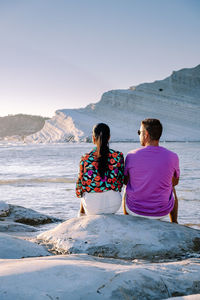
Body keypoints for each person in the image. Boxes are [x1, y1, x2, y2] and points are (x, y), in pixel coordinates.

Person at [123, 118, 180, 223]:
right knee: (171, 187)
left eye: (139, 132)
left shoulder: (131, 155)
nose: (139, 135)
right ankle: (174, 222)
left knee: (127, 189)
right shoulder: (173, 156)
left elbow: (125, 181)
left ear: (146, 135)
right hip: (162, 211)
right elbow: (175, 182)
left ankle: (128, 221)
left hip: (134, 211)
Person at [76, 123, 124, 215]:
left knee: (84, 188)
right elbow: (120, 181)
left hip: (91, 206)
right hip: (114, 205)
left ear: (93, 138)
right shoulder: (118, 156)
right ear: (109, 138)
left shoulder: (85, 158)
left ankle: (81, 216)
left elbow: (80, 187)